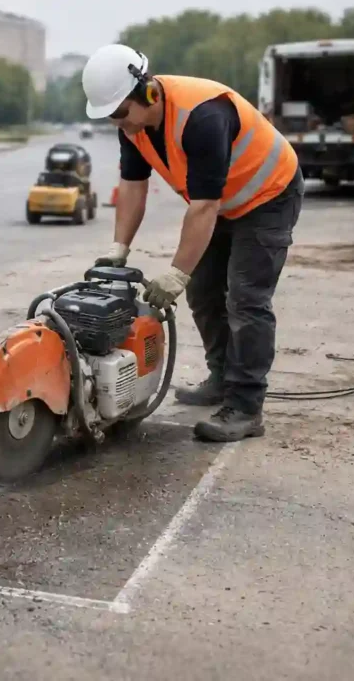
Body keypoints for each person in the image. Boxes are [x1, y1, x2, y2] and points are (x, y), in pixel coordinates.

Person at [81, 43, 305, 443]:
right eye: (110, 117)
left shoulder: (203, 115)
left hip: (269, 196)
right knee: (203, 292)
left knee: (246, 299)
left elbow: (203, 208)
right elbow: (133, 187)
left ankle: (246, 406)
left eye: (119, 113)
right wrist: (119, 250)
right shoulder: (134, 128)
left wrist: (176, 273)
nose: (118, 123)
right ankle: (221, 378)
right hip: (221, 202)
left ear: (147, 93)